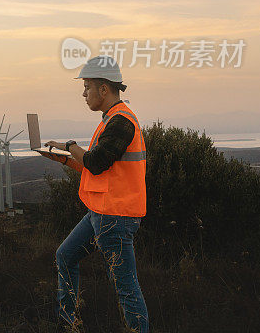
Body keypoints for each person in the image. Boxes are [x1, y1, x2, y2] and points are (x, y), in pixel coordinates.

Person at [40, 55, 149, 333]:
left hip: (116, 216)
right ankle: (69, 323)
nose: (83, 93)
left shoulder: (122, 122)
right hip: (99, 213)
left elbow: (96, 162)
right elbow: (97, 166)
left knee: (126, 288)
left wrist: (70, 144)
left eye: (87, 86)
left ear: (104, 89)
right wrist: (64, 158)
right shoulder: (110, 120)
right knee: (65, 255)